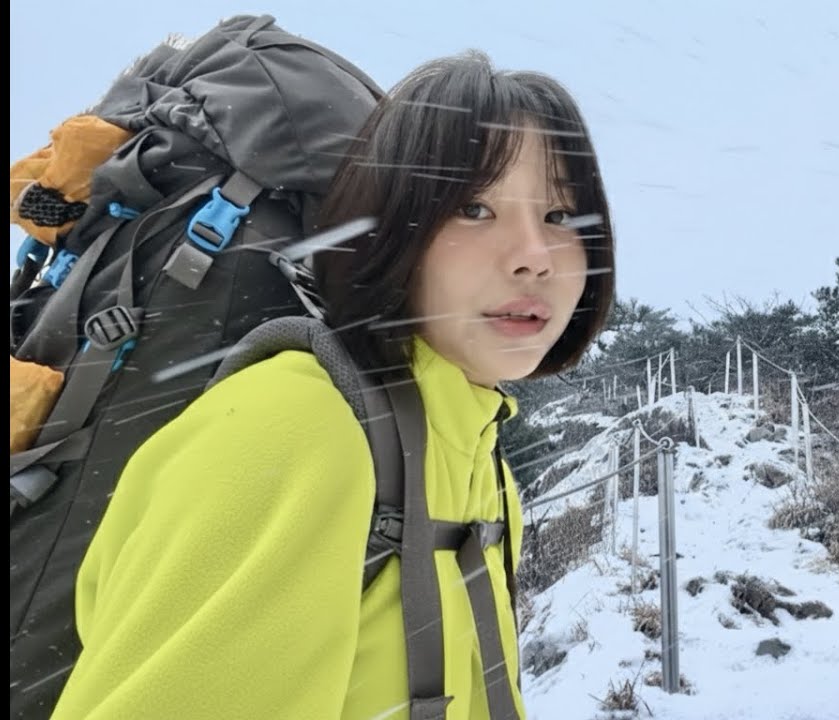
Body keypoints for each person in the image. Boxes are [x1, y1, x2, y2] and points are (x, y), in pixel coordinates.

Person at [50, 50, 615, 720]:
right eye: (473, 208)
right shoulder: (302, 430)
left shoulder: (476, 459)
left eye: (560, 215)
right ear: (390, 228)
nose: (533, 256)